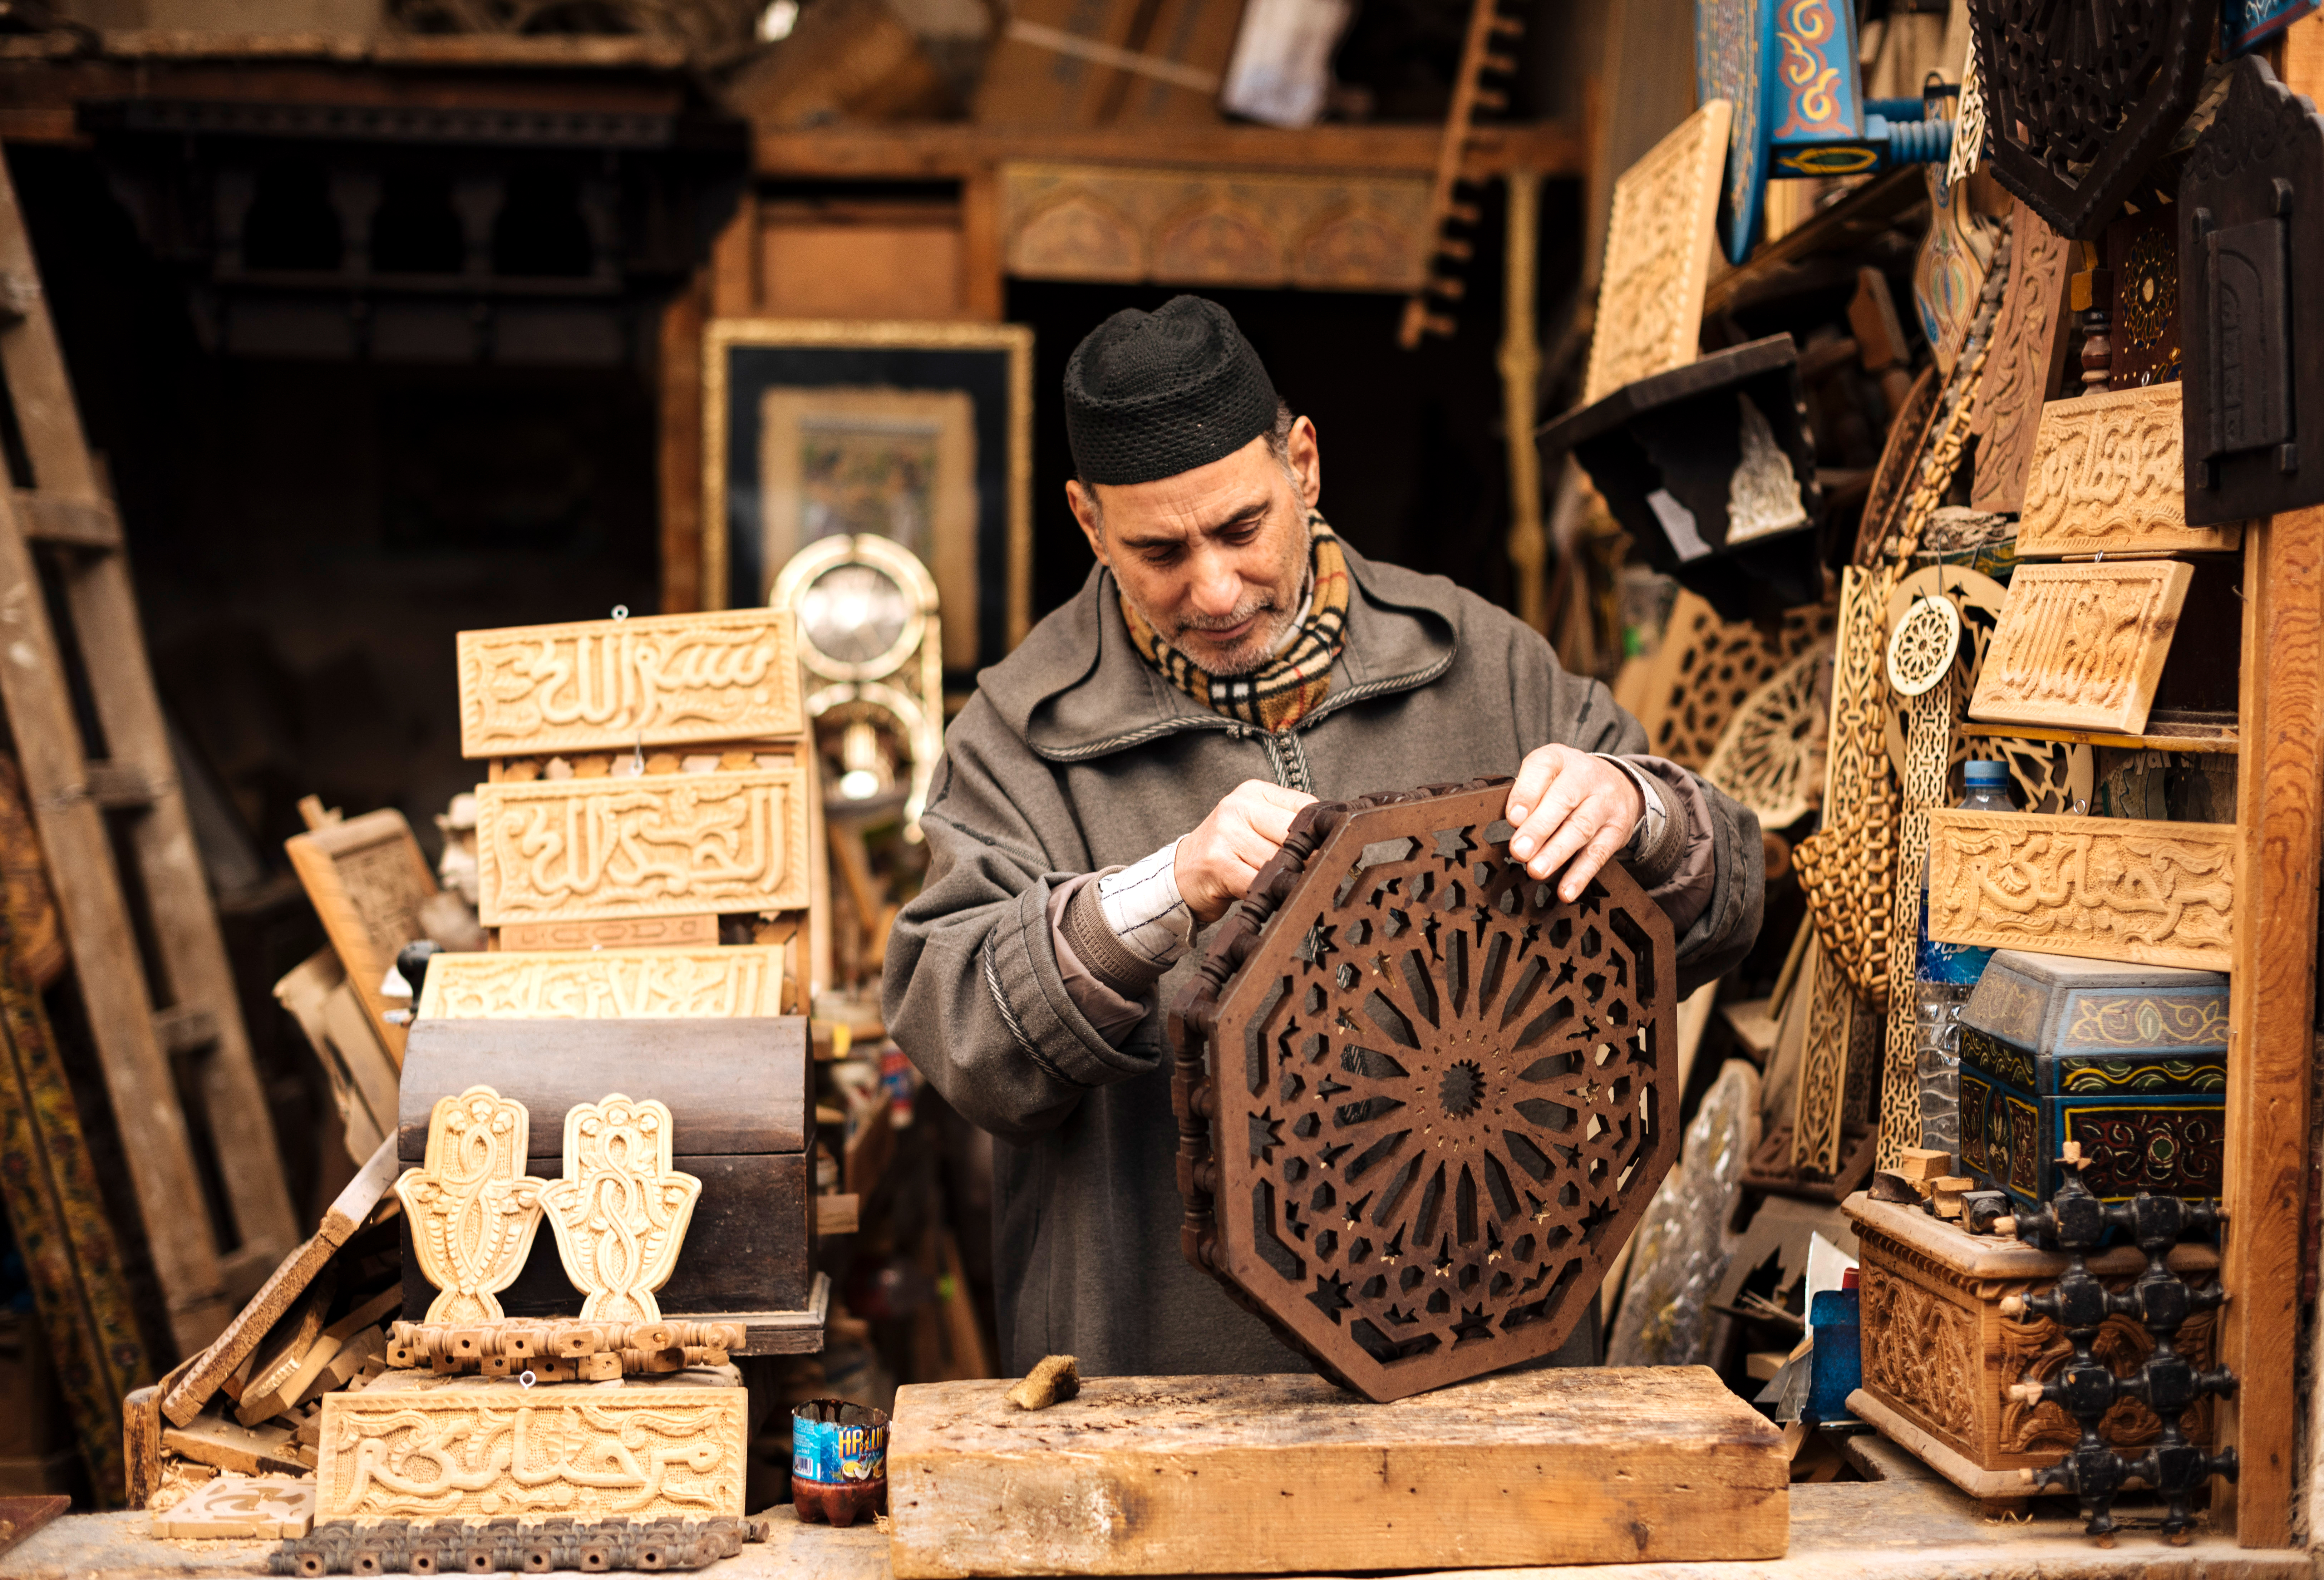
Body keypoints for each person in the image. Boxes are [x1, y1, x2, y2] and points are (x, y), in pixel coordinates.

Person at [883, 295, 1763, 1378]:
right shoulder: (1018, 736)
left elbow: (1727, 914)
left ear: (1301, 465)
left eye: (1240, 529)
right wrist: (1165, 889)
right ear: (1086, 522)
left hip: (1490, 1372)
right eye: (1158, 550)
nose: (1212, 588)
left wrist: (1643, 810)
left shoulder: (1485, 665)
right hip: (1165, 1396)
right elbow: (962, 1037)